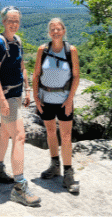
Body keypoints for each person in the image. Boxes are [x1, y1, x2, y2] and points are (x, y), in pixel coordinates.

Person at [0, 7, 40, 207]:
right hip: (5, 96)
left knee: (5, 134)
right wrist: (1, 99)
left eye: (17, 21)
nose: (14, 24)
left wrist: (27, 90)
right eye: (10, 20)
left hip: (16, 93)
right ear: (3, 21)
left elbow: (21, 66)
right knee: (19, 135)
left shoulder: (17, 41)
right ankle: (19, 187)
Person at [33, 18, 81, 194]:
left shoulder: (71, 51)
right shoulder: (42, 50)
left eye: (58, 29)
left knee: (66, 136)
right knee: (51, 132)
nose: (56, 32)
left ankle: (68, 173)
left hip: (64, 99)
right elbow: (36, 74)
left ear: (64, 31)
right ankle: (55, 165)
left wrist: (69, 100)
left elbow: (76, 76)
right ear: (49, 32)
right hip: (46, 98)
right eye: (52, 29)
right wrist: (36, 98)